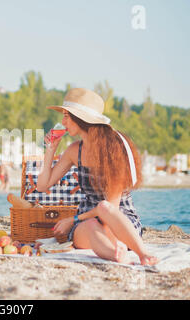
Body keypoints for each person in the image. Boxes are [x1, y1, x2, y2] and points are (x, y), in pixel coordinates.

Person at [37, 88, 158, 266]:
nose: (62, 122)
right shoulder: (74, 150)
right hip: (88, 225)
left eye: (66, 116)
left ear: (80, 118)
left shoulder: (115, 150)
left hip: (119, 222)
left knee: (104, 207)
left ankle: (143, 253)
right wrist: (50, 150)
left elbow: (111, 207)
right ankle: (115, 254)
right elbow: (42, 185)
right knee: (92, 226)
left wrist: (74, 219)